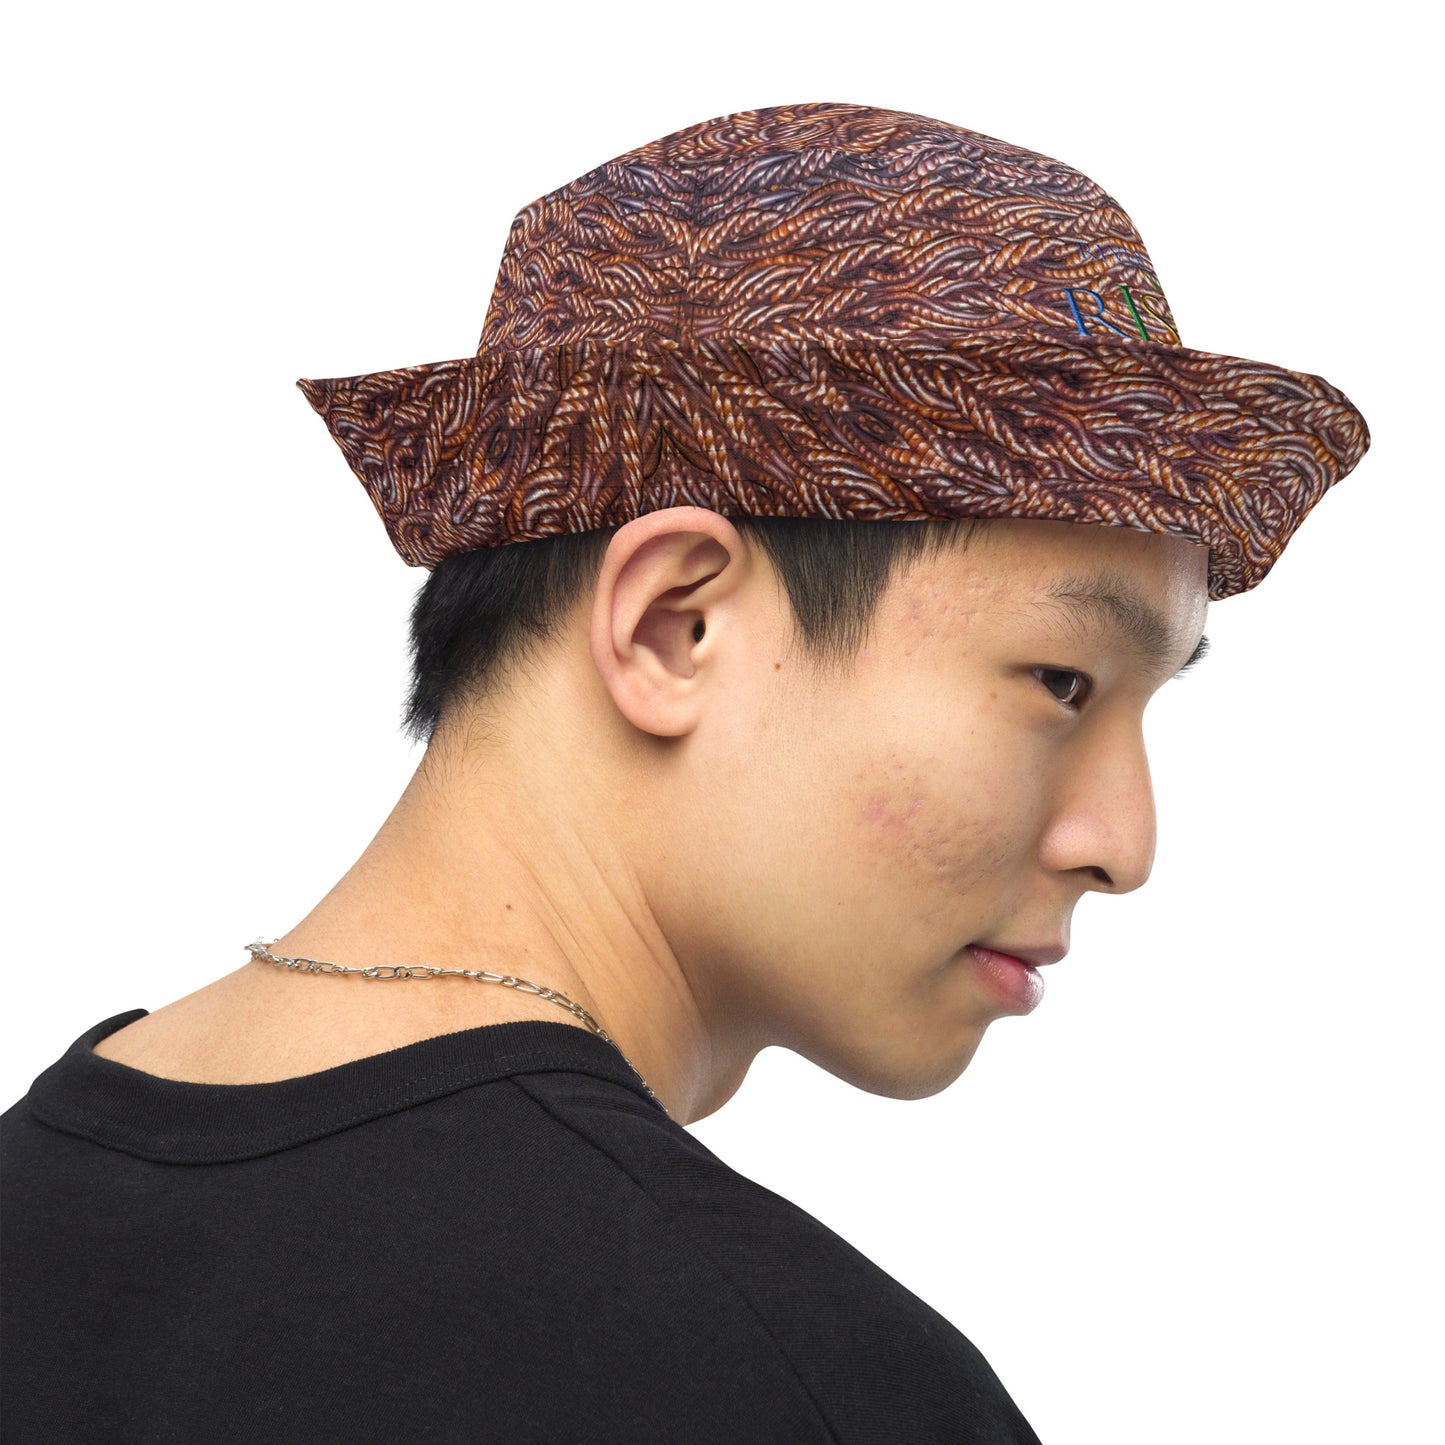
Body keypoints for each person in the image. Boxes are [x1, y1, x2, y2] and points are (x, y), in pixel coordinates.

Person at [0, 101, 1369, 1442]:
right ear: (674, 627)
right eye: (1062, 682)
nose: (1123, 843)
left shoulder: (34, 1199)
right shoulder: (798, 1384)